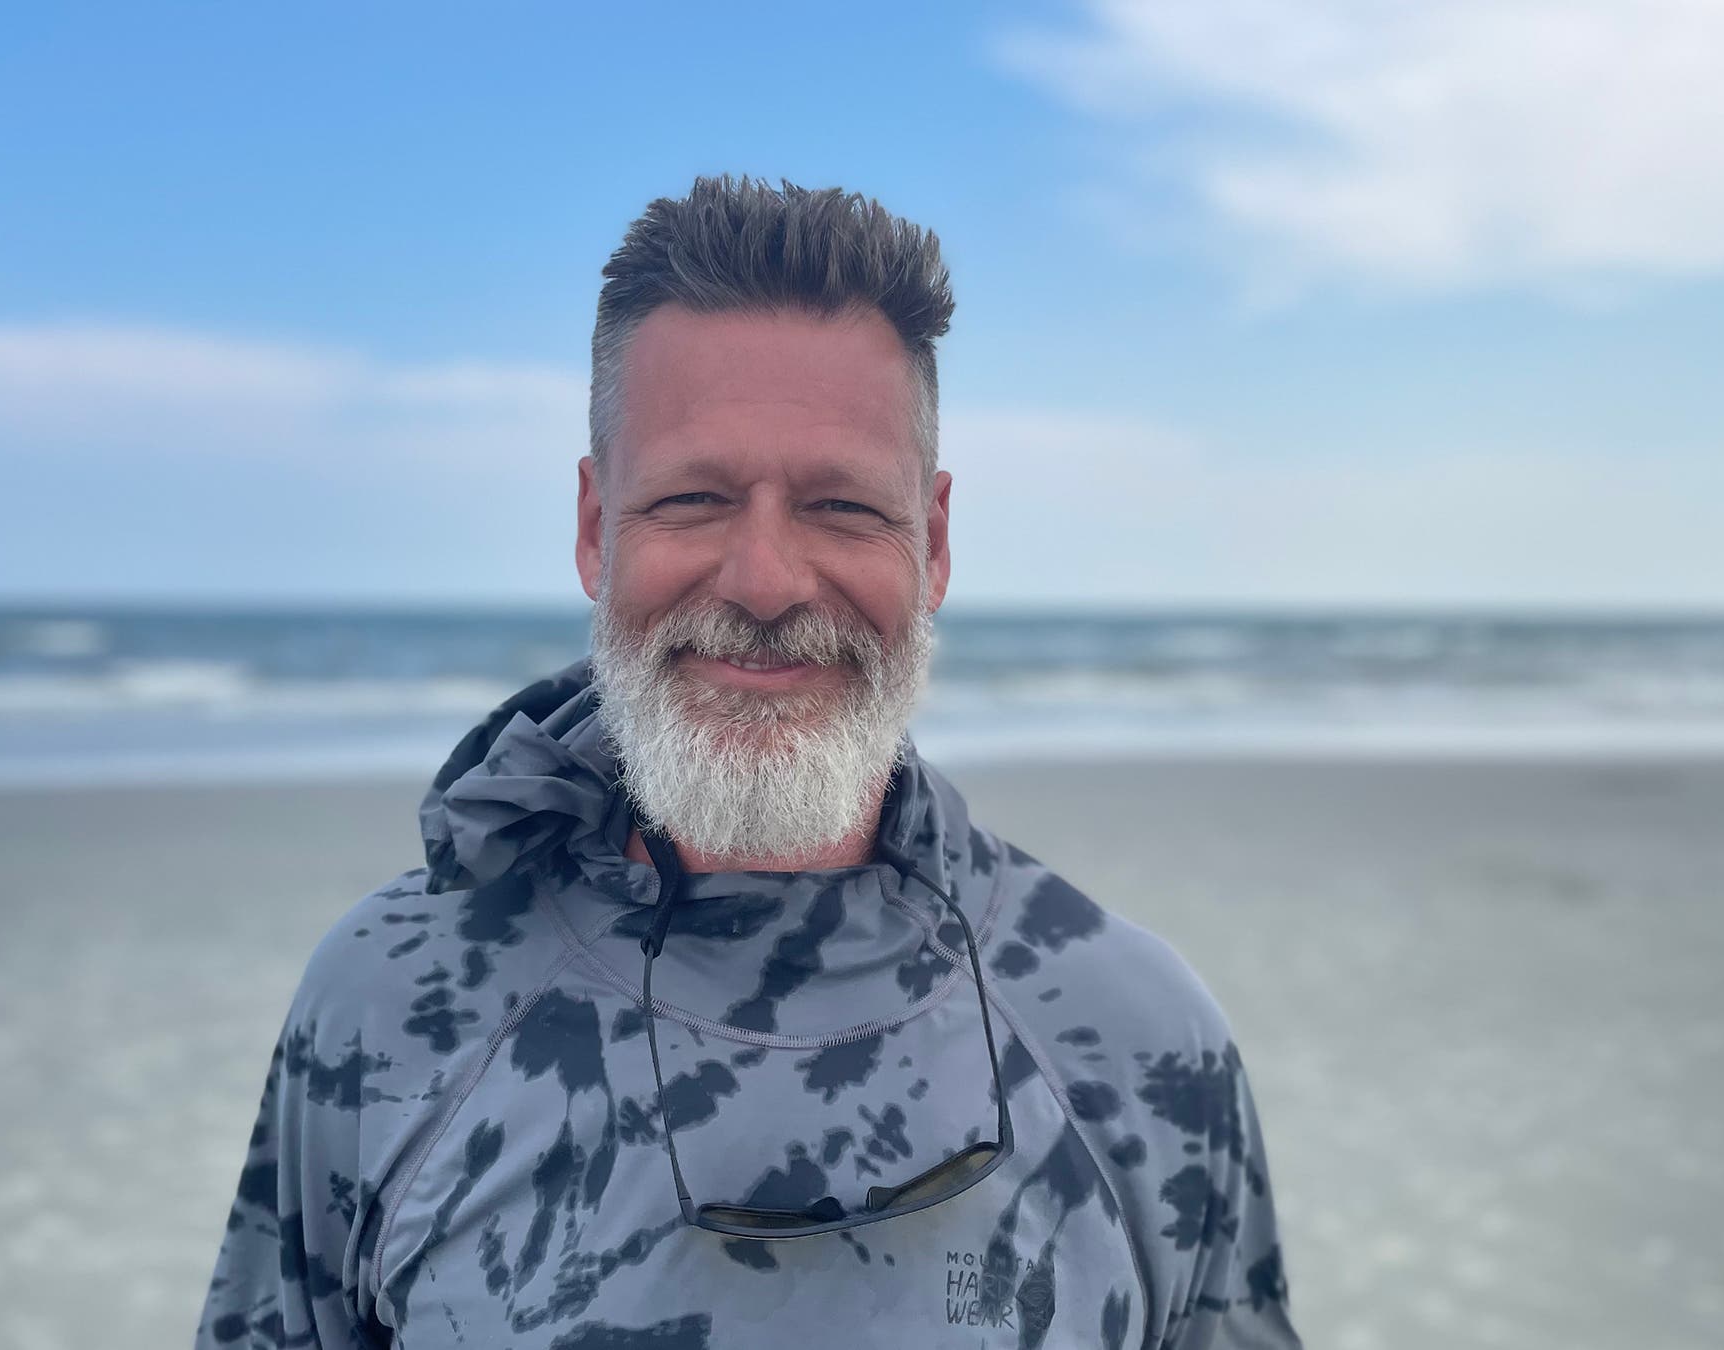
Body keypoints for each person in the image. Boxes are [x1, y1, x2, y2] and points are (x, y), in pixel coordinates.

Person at [195, 175, 1300, 1349]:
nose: (766, 582)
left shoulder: (1131, 1034)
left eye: (838, 506)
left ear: (931, 545)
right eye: (694, 498)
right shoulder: (387, 1007)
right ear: (592, 528)